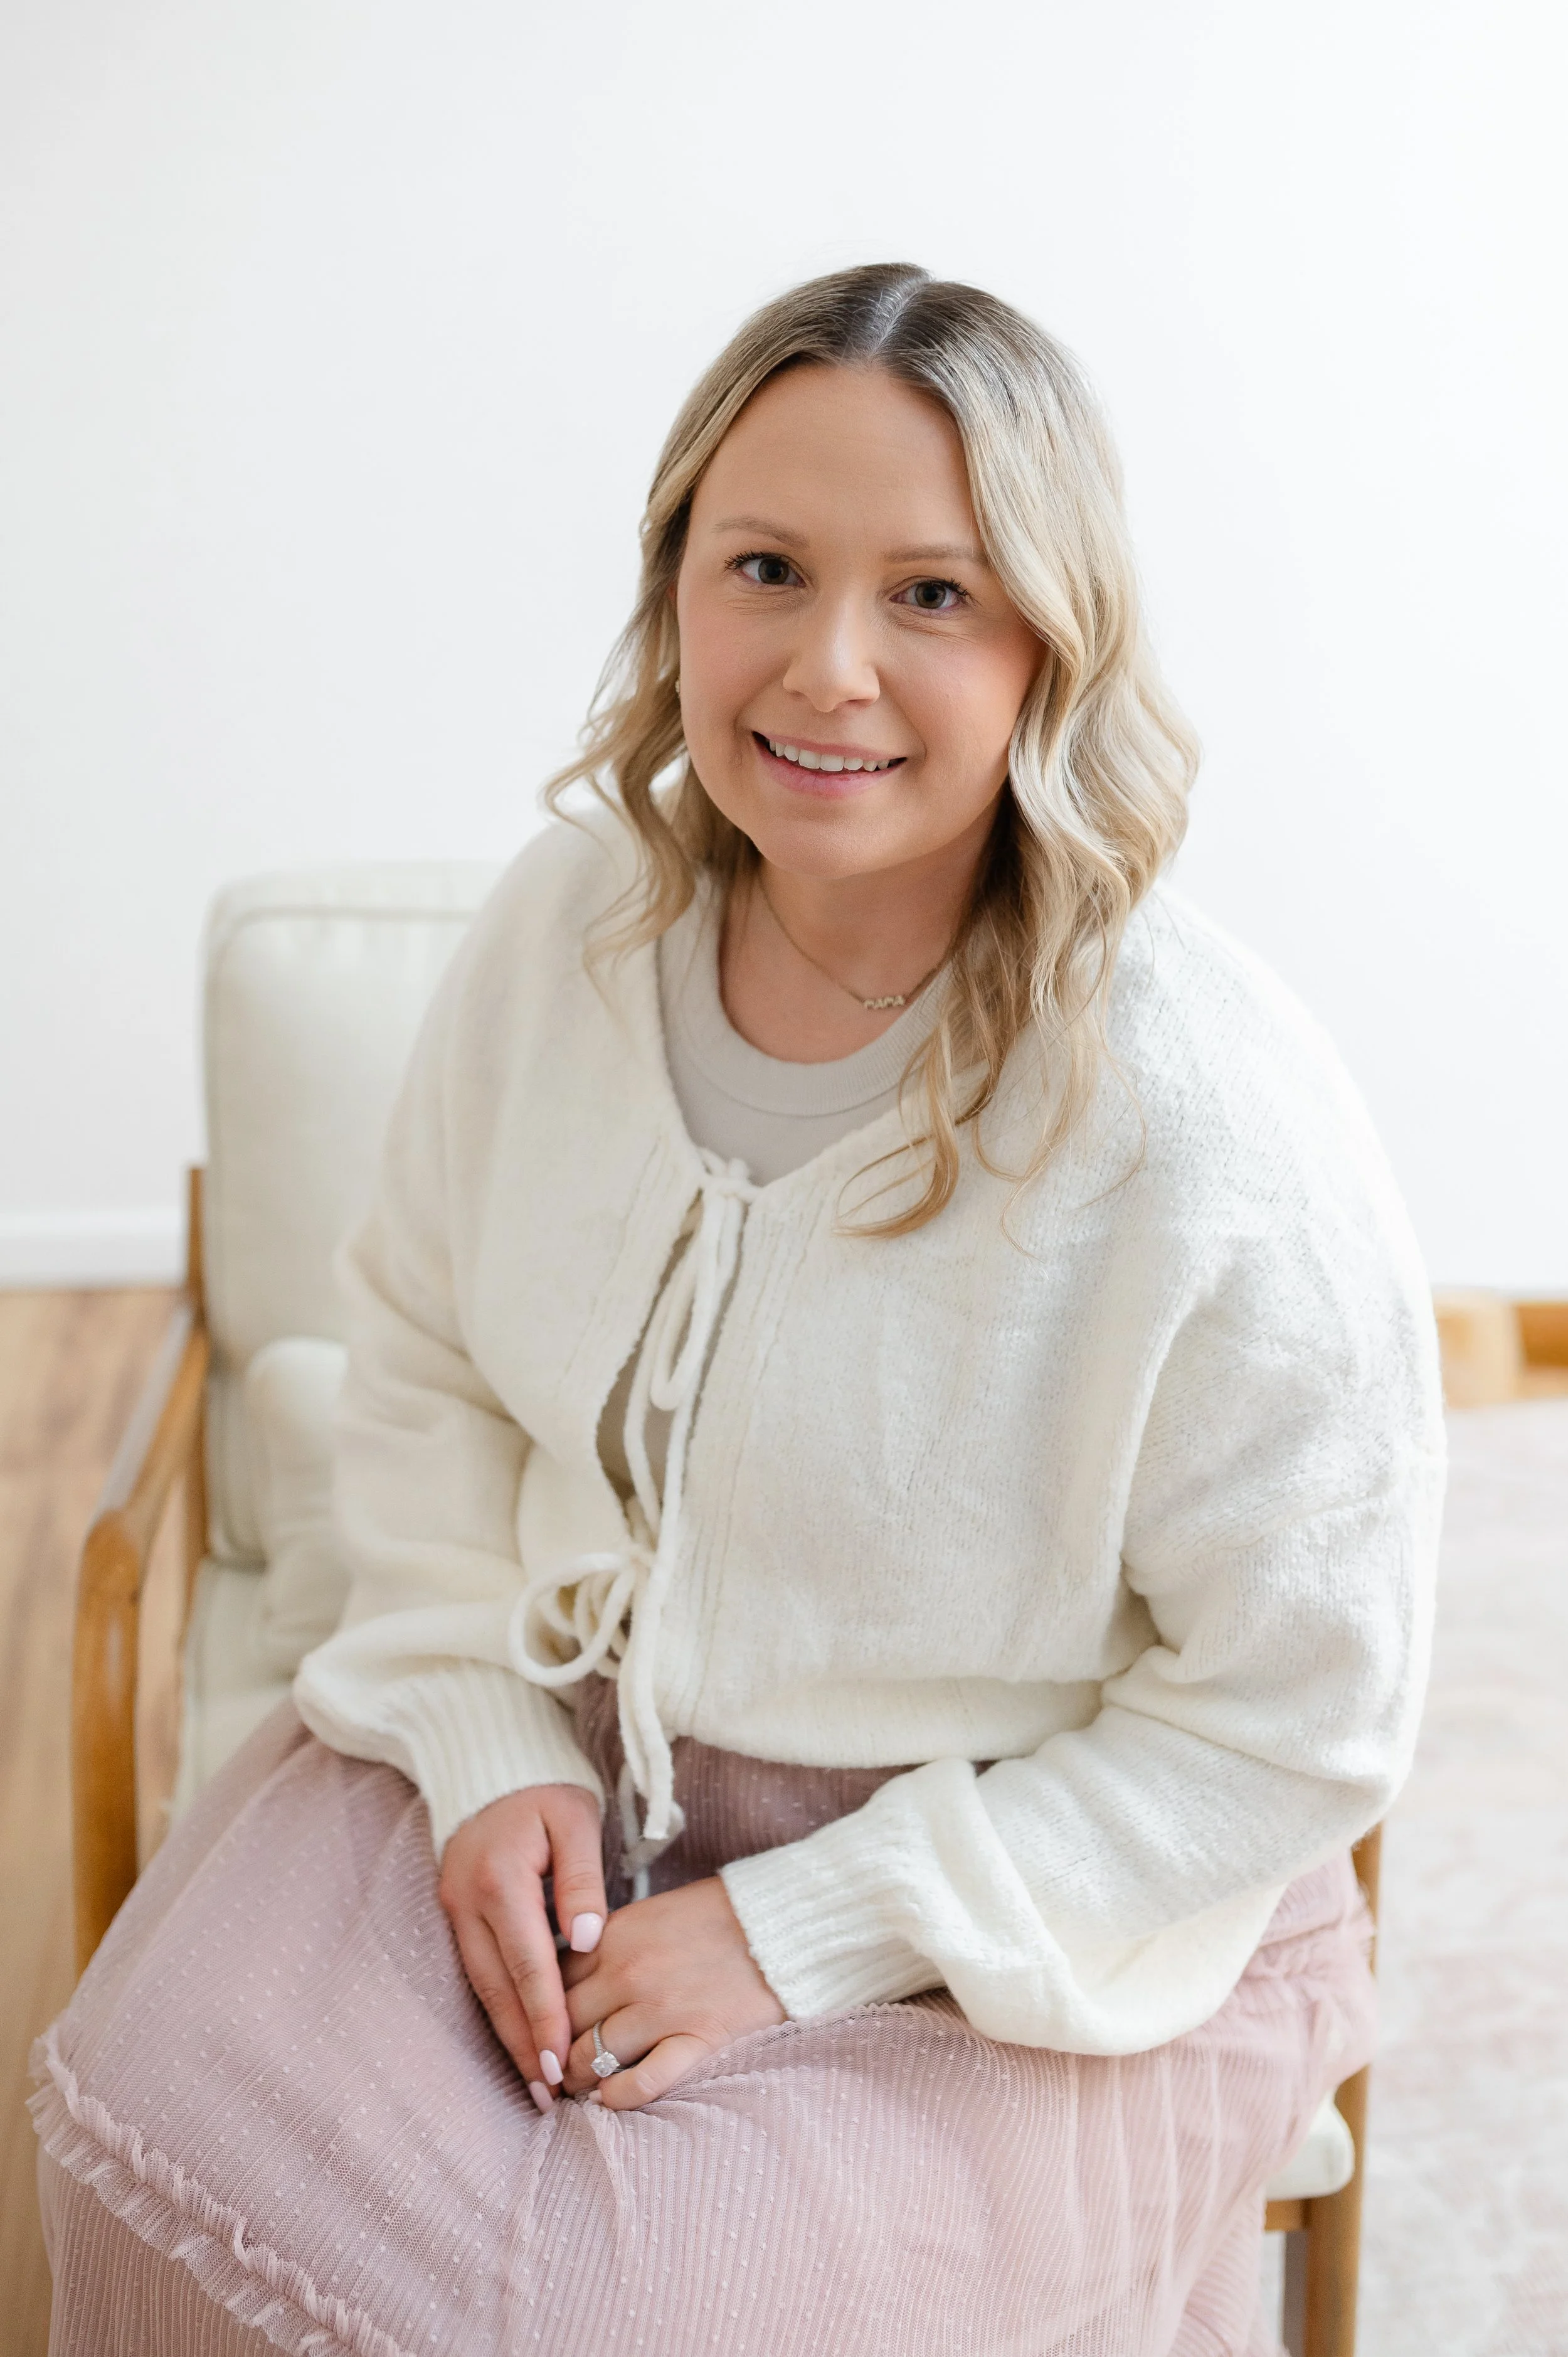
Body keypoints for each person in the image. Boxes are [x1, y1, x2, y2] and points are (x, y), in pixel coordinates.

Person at [33, 262, 1443, 2356]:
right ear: (675, 587)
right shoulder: (566, 936)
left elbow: (1299, 1711)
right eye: (764, 567)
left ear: (1055, 638)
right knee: (156, 2134)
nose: (826, 667)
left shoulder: (1207, 1123)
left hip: (1013, 1889)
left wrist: (804, 1926)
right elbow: (418, 1354)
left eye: (933, 594)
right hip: (553, 1714)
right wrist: (485, 1741)